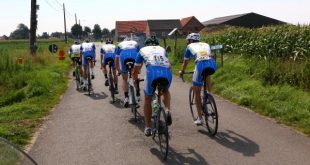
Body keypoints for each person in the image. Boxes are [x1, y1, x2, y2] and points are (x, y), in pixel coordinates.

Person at [133, 36, 172, 136]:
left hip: (152, 74)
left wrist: (135, 78)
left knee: (147, 98)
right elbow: (169, 64)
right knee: (165, 91)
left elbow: (136, 69)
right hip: (167, 73)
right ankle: (167, 110)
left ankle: (148, 127)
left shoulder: (142, 50)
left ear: (146, 44)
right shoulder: (162, 49)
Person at [179, 33, 217, 125]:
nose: (187, 43)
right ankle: (209, 94)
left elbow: (185, 62)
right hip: (212, 64)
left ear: (191, 41)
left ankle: (200, 118)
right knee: (207, 74)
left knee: (197, 91)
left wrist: (182, 71)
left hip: (200, 65)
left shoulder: (189, 47)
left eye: (188, 41)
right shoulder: (206, 44)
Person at [115, 36, 140, 107]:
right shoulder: (135, 43)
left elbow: (117, 59)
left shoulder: (120, 44)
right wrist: (138, 69)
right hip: (134, 56)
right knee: (135, 76)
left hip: (124, 57)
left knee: (124, 79)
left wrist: (118, 70)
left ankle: (126, 98)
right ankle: (137, 94)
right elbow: (140, 57)